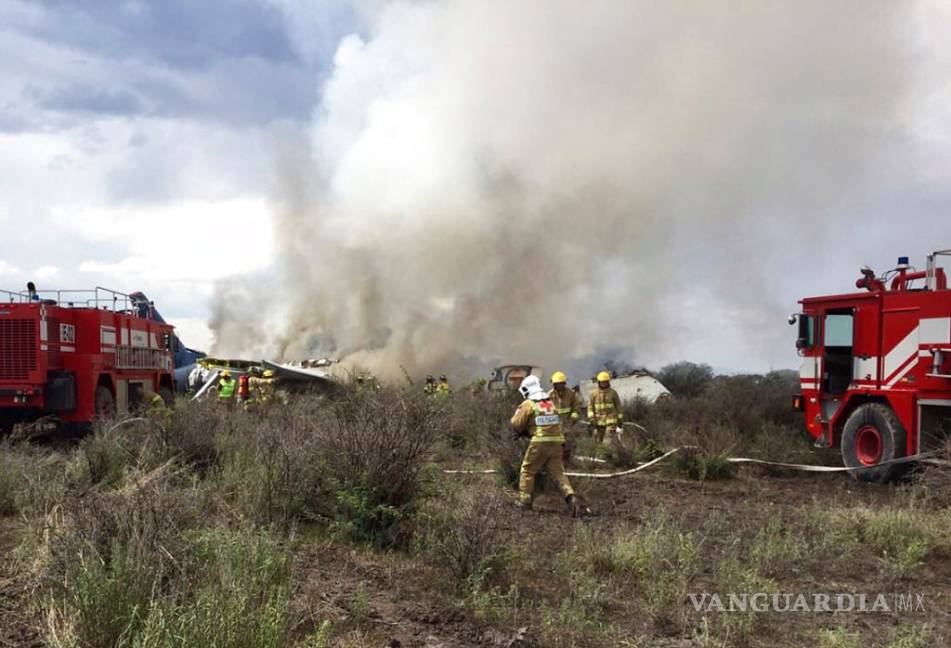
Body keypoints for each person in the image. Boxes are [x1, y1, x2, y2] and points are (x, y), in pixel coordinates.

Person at [511, 375, 585, 515]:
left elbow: (516, 423)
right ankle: (572, 498)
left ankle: (525, 501)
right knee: (558, 473)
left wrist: (523, 429)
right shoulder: (550, 403)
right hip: (557, 442)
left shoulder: (529, 404)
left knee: (528, 470)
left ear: (526, 390)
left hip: (540, 442)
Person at [548, 371, 580, 462]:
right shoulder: (549, 395)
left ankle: (566, 462)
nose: (559, 385)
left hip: (568, 423)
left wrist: (574, 416)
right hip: (554, 424)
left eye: (561, 383)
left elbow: (576, 406)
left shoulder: (571, 393)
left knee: (568, 444)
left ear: (564, 383)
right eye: (557, 384)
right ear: (554, 384)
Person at [588, 371, 623, 446]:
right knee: (598, 442)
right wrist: (591, 419)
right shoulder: (594, 394)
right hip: (598, 422)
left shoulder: (613, 393)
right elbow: (590, 407)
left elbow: (618, 406)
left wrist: (620, 420)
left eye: (606, 382)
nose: (604, 383)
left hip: (611, 422)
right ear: (599, 382)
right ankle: (600, 453)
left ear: (608, 382)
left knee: (607, 442)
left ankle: (605, 452)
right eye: (602, 382)